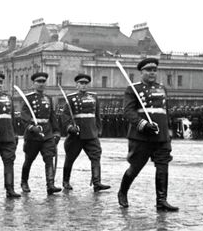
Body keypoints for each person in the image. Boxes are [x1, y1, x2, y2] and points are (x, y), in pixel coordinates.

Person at [118, 58, 179, 212]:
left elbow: (166, 112)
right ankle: (123, 192)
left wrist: (168, 131)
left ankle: (161, 200)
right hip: (141, 136)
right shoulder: (133, 89)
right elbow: (128, 112)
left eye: (154, 70)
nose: (152, 73)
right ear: (141, 72)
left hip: (161, 136)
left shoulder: (162, 88)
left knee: (163, 167)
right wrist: (144, 124)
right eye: (148, 70)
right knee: (136, 167)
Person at [61, 73, 111, 192]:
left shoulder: (93, 97)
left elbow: (97, 115)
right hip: (76, 134)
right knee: (70, 158)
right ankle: (66, 181)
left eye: (85, 83)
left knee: (96, 157)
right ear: (76, 85)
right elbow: (65, 115)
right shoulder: (71, 98)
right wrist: (70, 127)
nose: (83, 85)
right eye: (81, 83)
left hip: (91, 134)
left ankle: (97, 182)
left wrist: (98, 129)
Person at [19, 72, 62, 195]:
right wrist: (32, 127)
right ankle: (24, 181)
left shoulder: (48, 98)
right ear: (33, 83)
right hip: (33, 135)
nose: (41, 84)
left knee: (49, 158)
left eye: (43, 82)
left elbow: (52, 116)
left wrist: (57, 132)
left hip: (47, 134)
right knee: (29, 160)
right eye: (38, 82)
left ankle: (50, 184)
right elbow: (24, 116)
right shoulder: (28, 98)